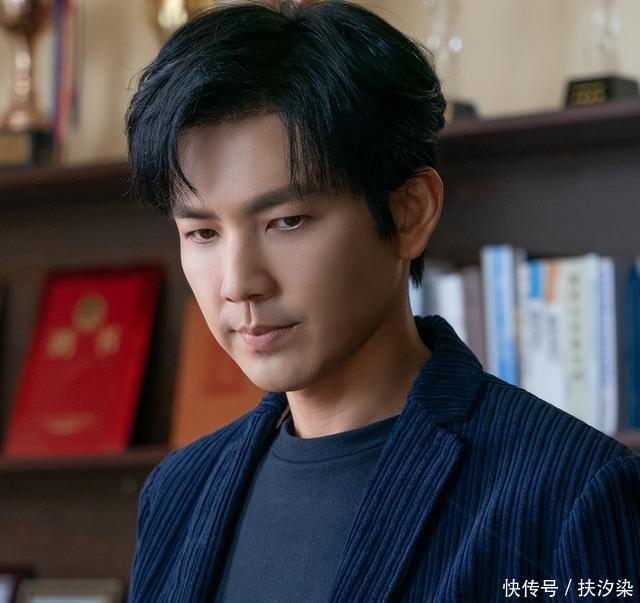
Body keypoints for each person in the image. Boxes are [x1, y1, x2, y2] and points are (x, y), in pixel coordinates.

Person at [125, 1, 640, 601]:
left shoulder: (572, 491)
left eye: (287, 221)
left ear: (408, 214)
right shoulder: (177, 493)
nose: (238, 283)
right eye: (202, 233)